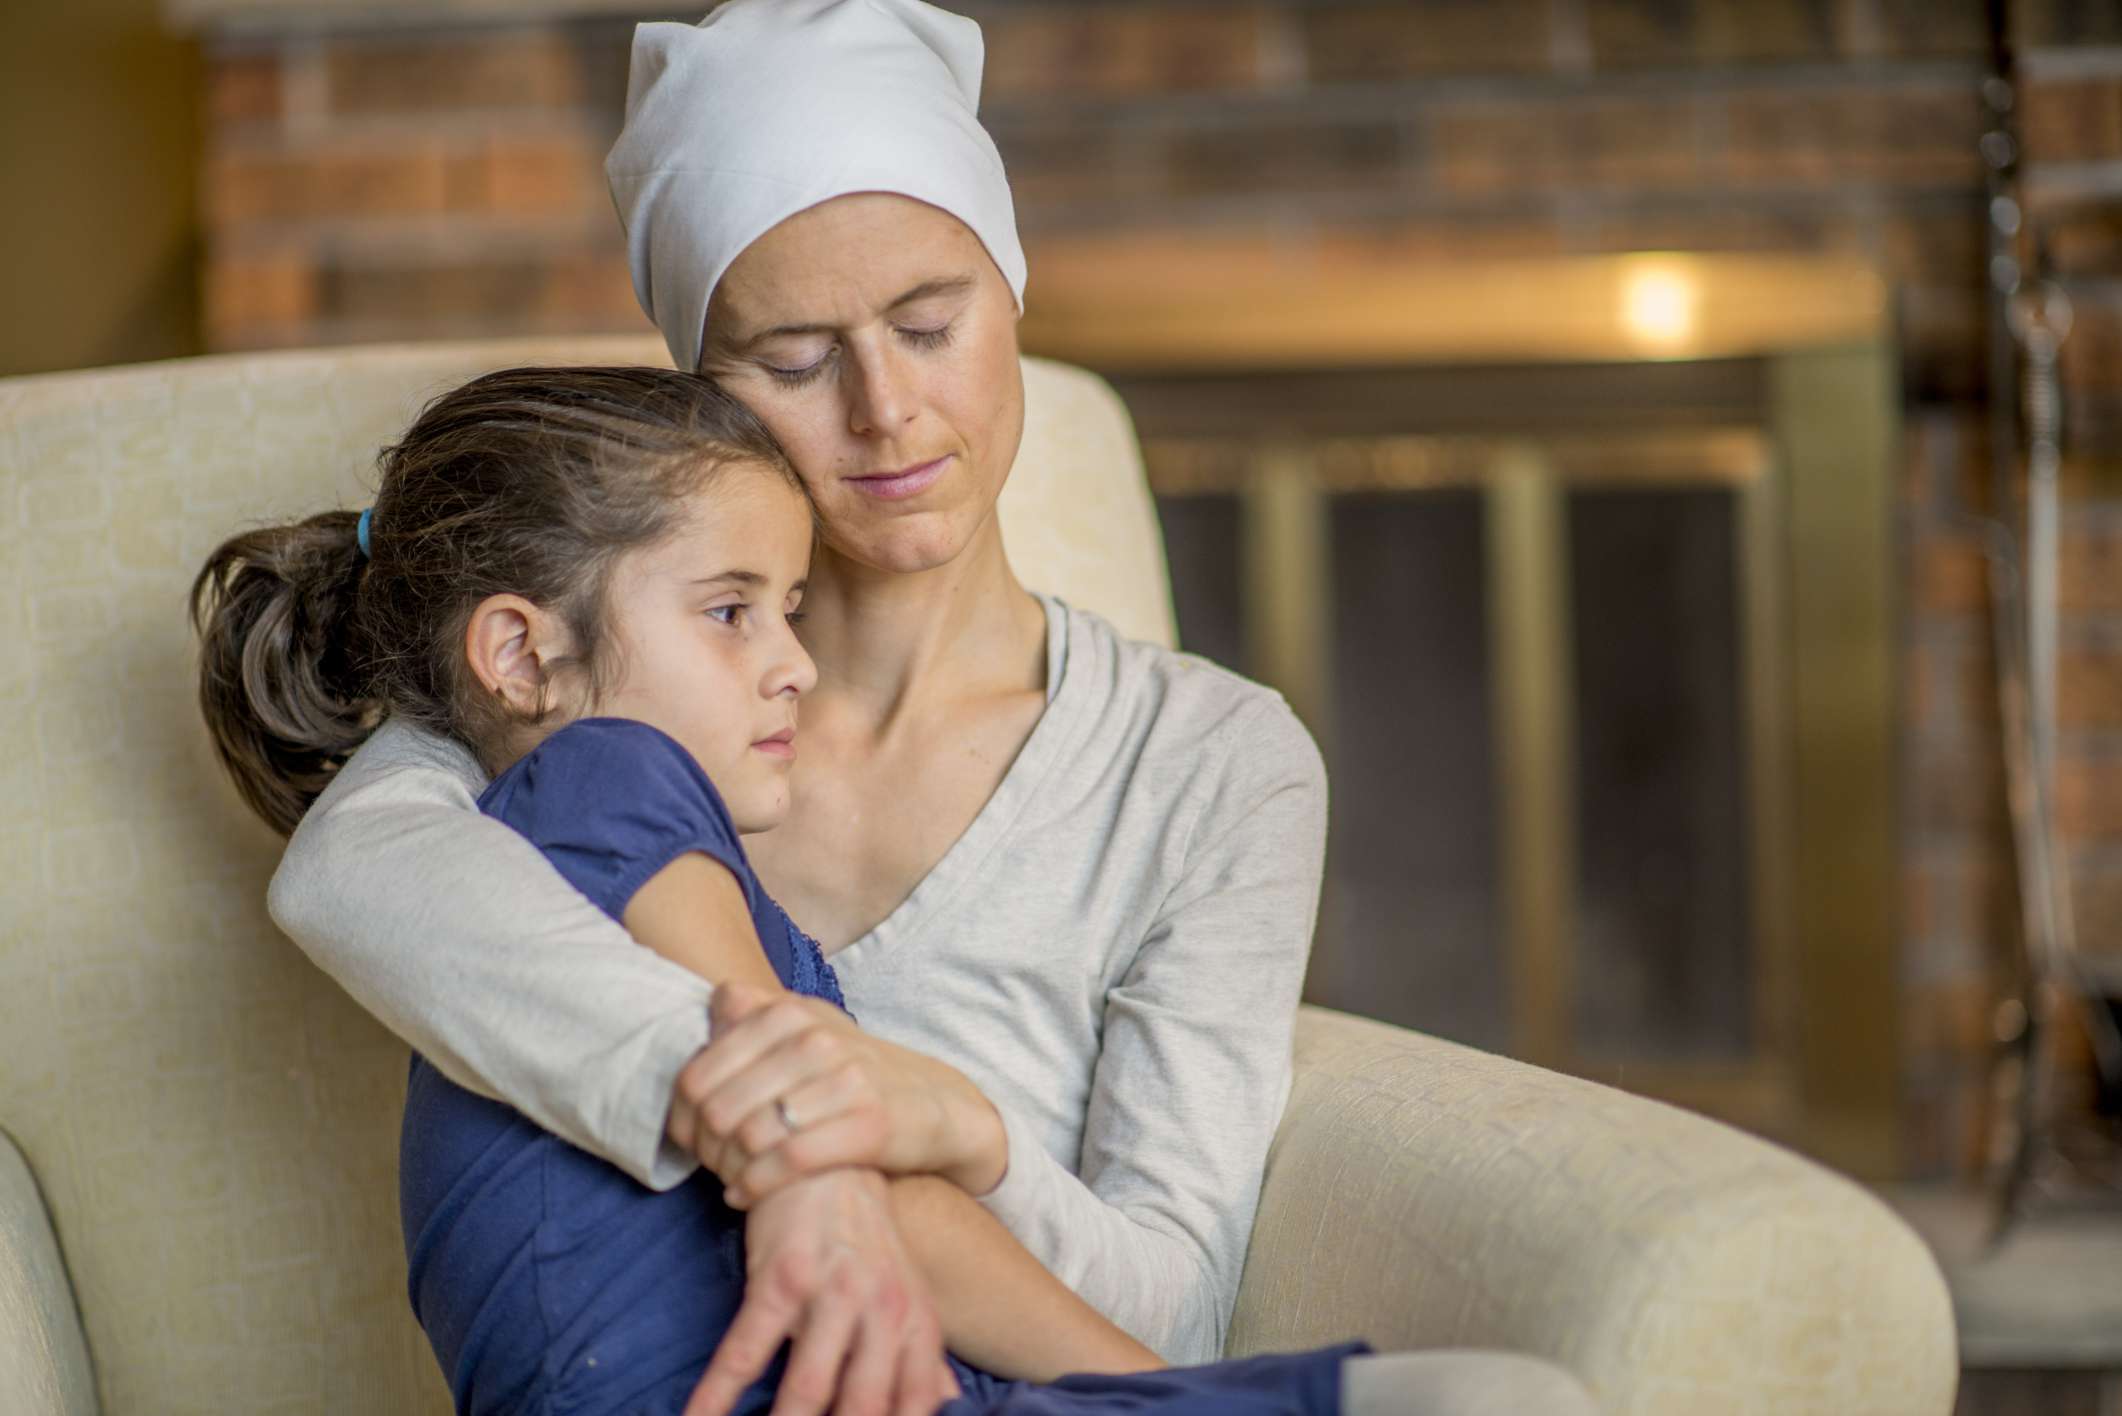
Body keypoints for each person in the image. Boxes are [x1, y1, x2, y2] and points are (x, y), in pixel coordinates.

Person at [261, 4, 1601, 1414]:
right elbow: (353, 872)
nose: (887, 410)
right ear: (700, 400)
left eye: (928, 323)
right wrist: (793, 1133)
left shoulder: (1207, 765)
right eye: (790, 359)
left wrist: (951, 1129)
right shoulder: (612, 692)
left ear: (1012, 298)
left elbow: (1176, 1306)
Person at [191, 363, 1373, 1414]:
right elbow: (810, 1126)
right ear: (516, 655)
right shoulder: (595, 779)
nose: (795, 663)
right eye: (730, 612)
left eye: (788, 611)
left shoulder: (741, 947)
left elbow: (889, 1207)